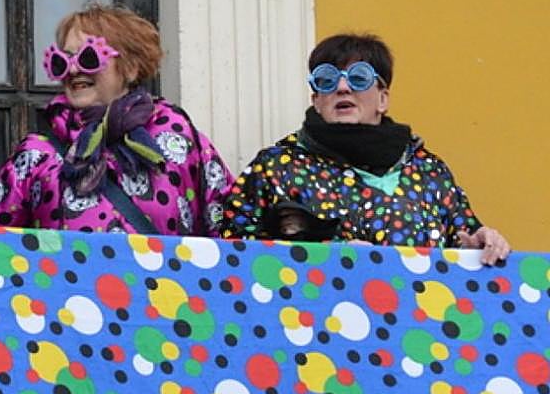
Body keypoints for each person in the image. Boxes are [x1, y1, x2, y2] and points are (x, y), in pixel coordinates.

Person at [218, 33, 511, 264]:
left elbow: (462, 238)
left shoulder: (428, 170)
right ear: (316, 100)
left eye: (358, 78)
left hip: (419, 330)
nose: (342, 88)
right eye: (327, 80)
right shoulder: (275, 166)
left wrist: (481, 243)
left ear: (383, 99)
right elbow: (235, 254)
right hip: (312, 328)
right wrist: (326, 257)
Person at [0, 3, 231, 235]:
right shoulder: (35, 155)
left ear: (130, 67)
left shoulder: (177, 134)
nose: (72, 70)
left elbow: (225, 229)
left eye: (88, 58)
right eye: (62, 61)